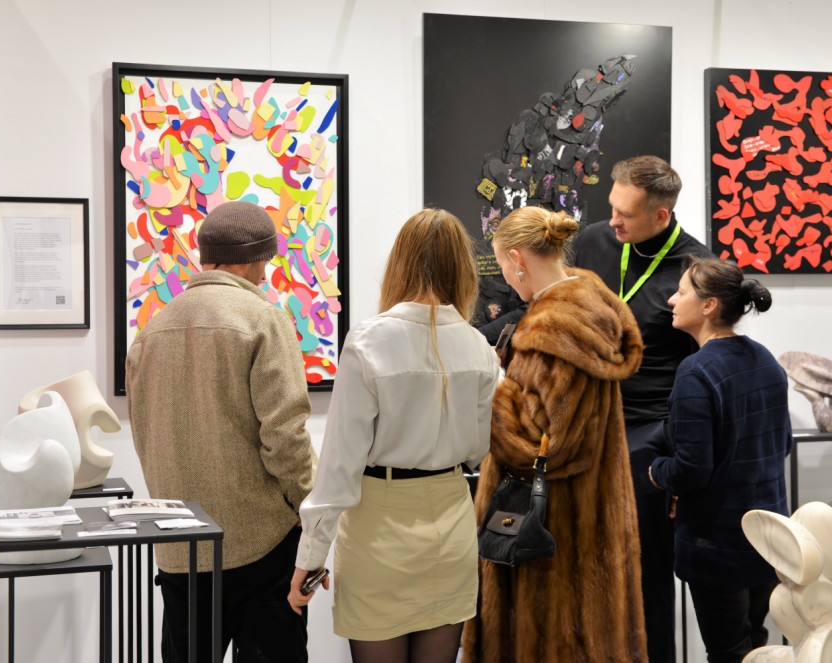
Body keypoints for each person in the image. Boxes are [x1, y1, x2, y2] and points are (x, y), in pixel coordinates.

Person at [287, 208, 501, 663]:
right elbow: (477, 451)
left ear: (400, 263)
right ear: (463, 270)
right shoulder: (479, 348)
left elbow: (340, 466)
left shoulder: (369, 342)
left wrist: (310, 557)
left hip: (378, 532)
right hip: (451, 525)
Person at [126, 200, 316, 662]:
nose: (266, 273)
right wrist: (307, 507)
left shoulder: (152, 331)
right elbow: (286, 437)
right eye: (266, 260)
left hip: (181, 547)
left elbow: (145, 436)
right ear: (256, 259)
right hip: (261, 545)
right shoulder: (262, 319)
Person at [462, 206, 647, 663]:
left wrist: (494, 390)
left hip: (552, 545)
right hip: (582, 526)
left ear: (517, 258)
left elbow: (543, 444)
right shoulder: (586, 311)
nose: (506, 279)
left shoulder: (557, 331)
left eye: (503, 265)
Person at [573, 155, 714, 663]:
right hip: (587, 426)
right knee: (584, 570)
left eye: (625, 215)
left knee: (645, 576)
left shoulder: (697, 270)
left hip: (650, 437)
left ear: (661, 215)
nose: (612, 221)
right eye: (611, 207)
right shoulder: (593, 241)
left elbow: (703, 375)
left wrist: (683, 470)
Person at [649, 256, 792, 663]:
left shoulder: (696, 373)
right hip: (769, 538)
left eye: (681, 292)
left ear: (709, 305)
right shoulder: (766, 360)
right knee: (758, 647)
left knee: (728, 653)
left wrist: (658, 472)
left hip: (718, 544)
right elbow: (782, 444)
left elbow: (692, 470)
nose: (672, 300)